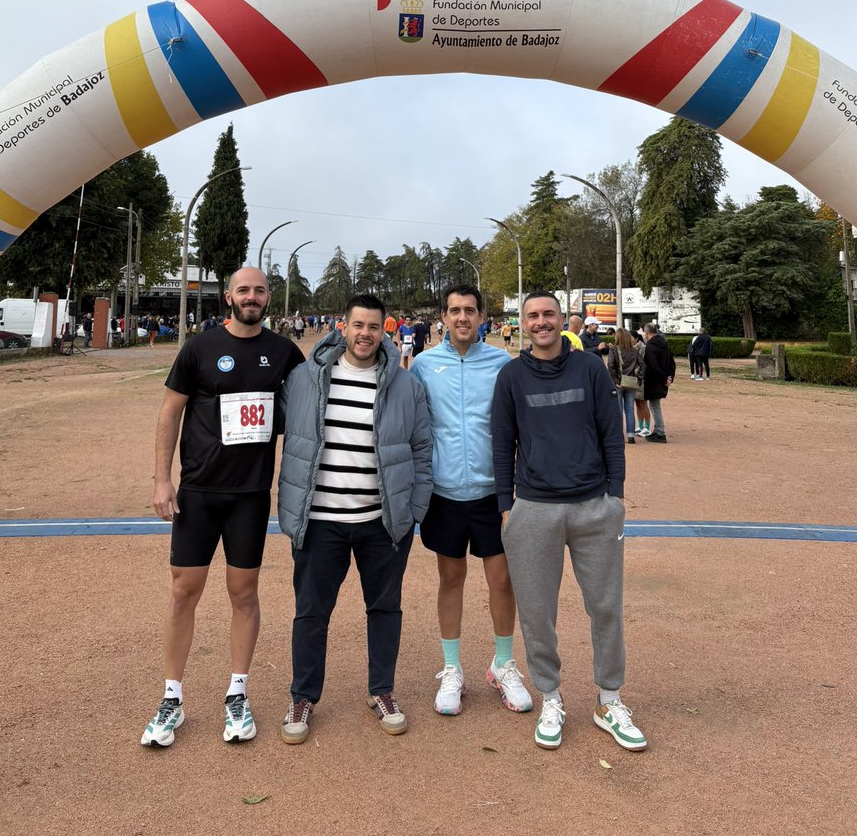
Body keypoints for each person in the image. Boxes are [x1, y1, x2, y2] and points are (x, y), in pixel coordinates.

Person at [140, 267, 305, 748]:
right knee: (183, 590)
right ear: (229, 296)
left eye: (259, 291)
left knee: (244, 593)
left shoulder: (284, 352)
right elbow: (171, 411)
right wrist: (161, 479)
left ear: (268, 298)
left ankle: (237, 693)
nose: (251, 297)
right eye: (243, 290)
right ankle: (171, 697)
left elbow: (308, 404)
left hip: (250, 496)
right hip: (199, 492)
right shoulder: (199, 347)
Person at [492, 291, 647, 754]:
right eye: (532, 316)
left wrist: (615, 494)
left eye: (548, 315)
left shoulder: (590, 368)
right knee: (538, 612)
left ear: (563, 320)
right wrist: (507, 505)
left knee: (605, 607)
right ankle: (551, 697)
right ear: (522, 323)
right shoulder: (511, 376)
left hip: (593, 506)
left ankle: (609, 700)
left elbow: (610, 432)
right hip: (534, 509)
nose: (541, 322)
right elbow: (502, 444)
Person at [277, 293, 432, 745]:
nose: (365, 333)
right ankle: (303, 696)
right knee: (311, 612)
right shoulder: (305, 379)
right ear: (342, 328)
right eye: (357, 325)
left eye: (374, 326)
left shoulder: (405, 384)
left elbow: (422, 448)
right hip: (319, 519)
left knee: (384, 609)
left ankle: (381, 690)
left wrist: (413, 511)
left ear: (386, 330)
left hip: (382, 523)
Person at [410, 285, 533, 719]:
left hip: (492, 492)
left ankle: (503, 663)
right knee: (451, 578)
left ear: (482, 317)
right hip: (444, 493)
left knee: (501, 579)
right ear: (443, 317)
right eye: (455, 310)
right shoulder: (424, 365)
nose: (462, 317)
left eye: (470, 310)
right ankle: (451, 668)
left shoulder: (502, 363)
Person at [607, 328, 646, 444]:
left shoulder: (614, 349)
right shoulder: (633, 351)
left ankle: (619, 435)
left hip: (619, 383)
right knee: (629, 409)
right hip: (631, 382)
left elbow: (610, 365)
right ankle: (630, 436)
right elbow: (643, 365)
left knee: (618, 410)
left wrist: (615, 380)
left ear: (618, 338)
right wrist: (638, 378)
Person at [641, 323, 675, 442]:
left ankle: (660, 432)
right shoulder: (665, 345)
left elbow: (653, 366)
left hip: (654, 380)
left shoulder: (650, 347)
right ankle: (657, 430)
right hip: (663, 379)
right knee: (655, 405)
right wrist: (669, 377)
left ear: (647, 332)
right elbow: (672, 363)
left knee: (655, 406)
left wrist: (664, 378)